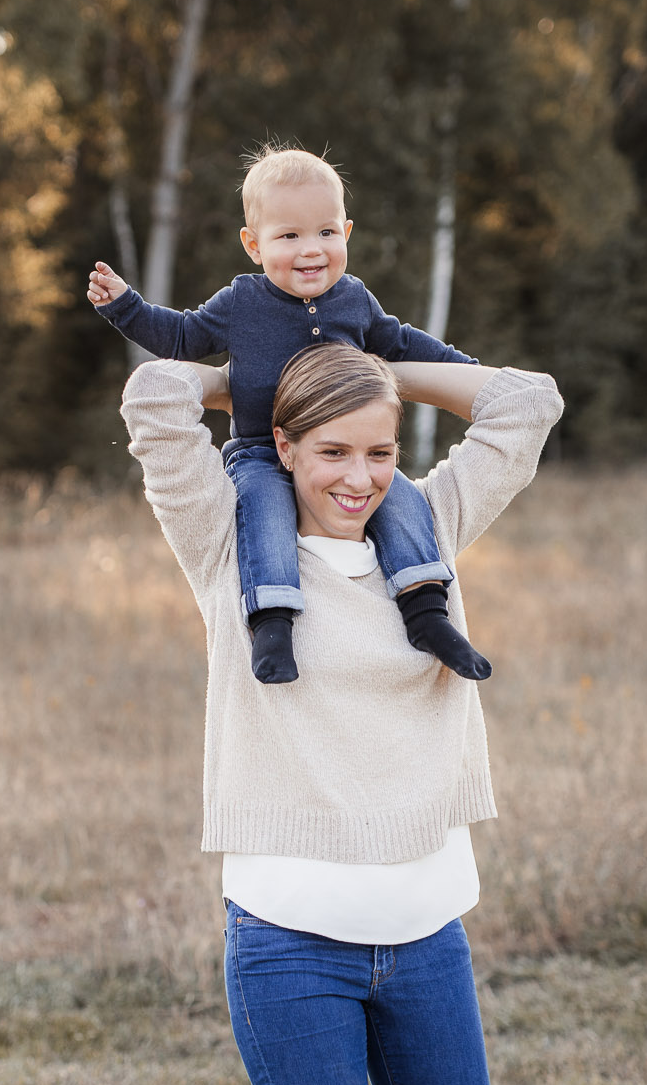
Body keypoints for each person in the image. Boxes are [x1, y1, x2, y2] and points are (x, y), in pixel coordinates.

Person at [120, 342, 563, 1085]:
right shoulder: (229, 544)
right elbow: (153, 393)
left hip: (424, 938)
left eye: (377, 450)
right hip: (290, 946)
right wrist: (271, 369)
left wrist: (383, 376)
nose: (358, 478)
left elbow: (524, 403)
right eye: (329, 451)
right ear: (280, 446)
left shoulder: (431, 530)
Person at [89, 146, 489, 687]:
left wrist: (469, 371)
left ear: (347, 232)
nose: (311, 250)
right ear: (253, 245)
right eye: (288, 236)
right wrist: (125, 307)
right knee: (264, 512)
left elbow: (401, 343)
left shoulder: (354, 299)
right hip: (259, 448)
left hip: (345, 451)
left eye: (327, 233)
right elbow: (183, 337)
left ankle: (426, 615)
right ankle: (273, 623)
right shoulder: (242, 302)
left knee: (401, 502)